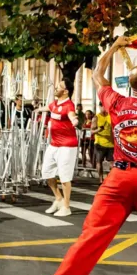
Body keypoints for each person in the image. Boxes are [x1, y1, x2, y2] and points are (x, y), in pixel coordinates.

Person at [48, 36, 137, 275]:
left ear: (132, 84)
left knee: (90, 238)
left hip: (118, 177)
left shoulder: (115, 102)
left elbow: (97, 74)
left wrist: (114, 46)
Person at [35, 79, 79, 217]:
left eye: (59, 87)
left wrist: (74, 121)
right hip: (54, 144)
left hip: (67, 146)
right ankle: (58, 199)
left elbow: (72, 115)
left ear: (65, 91)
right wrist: (37, 109)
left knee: (65, 177)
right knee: (47, 173)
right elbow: (48, 108)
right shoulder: (54, 104)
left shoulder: (69, 105)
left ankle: (66, 206)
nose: (56, 88)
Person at [91, 102, 114, 182]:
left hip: (111, 144)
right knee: (99, 161)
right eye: (104, 106)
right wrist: (98, 130)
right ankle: (101, 179)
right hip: (99, 144)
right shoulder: (96, 118)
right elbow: (92, 131)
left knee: (113, 163)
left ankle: (109, 178)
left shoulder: (111, 116)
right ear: (100, 107)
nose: (105, 108)